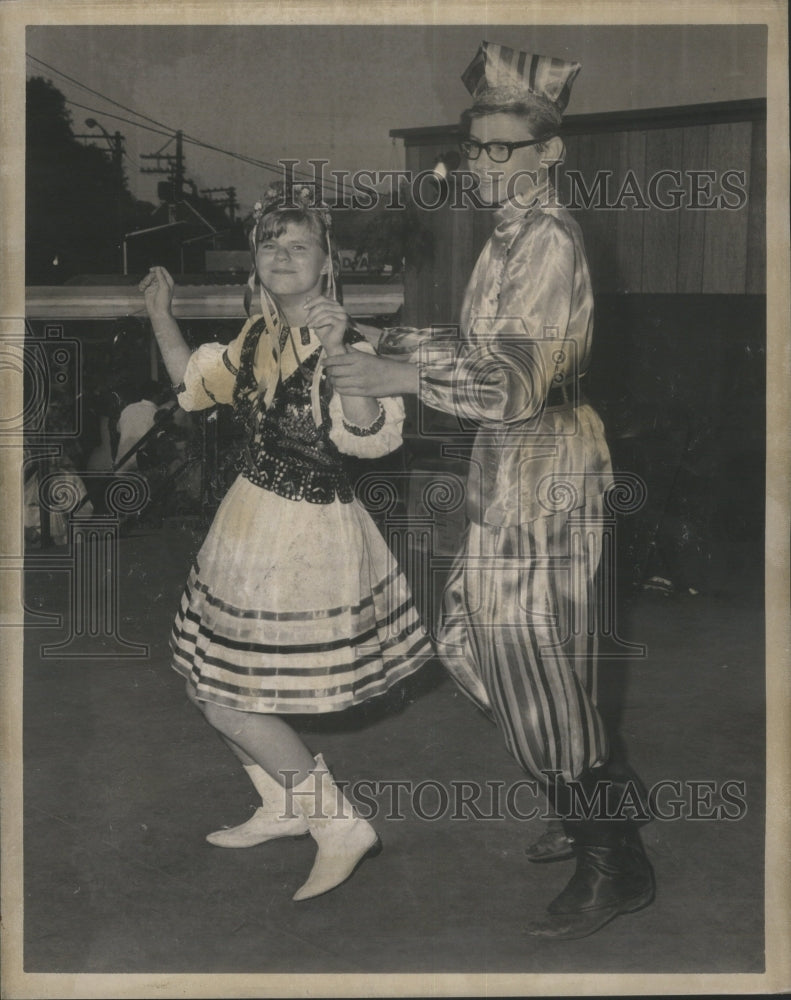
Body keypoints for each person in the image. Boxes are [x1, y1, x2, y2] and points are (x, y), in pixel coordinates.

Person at [325, 41, 654, 938]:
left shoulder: (546, 238)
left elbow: (514, 381)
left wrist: (393, 381)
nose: (483, 164)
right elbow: (477, 349)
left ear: (547, 153)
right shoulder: (507, 239)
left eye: (503, 148)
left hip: (544, 463)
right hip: (508, 465)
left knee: (528, 656)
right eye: (474, 149)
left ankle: (611, 859)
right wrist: (385, 342)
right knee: (479, 643)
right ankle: (587, 788)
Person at [139, 182, 432, 901]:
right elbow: (195, 384)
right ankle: (284, 805)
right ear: (255, 261)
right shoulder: (258, 334)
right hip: (249, 519)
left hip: (306, 533)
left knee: (232, 697)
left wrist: (338, 351)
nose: (282, 254)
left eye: (300, 244)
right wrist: (158, 314)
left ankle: (337, 823)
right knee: (206, 680)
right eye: (271, 243)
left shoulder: (349, 339)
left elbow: (367, 440)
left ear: (327, 263)